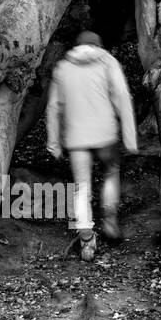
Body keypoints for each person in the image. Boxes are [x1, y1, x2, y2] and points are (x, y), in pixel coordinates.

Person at [45, 31, 138, 261]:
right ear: (98, 45)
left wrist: (54, 142)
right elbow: (122, 97)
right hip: (105, 134)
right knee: (110, 173)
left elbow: (54, 107)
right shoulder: (108, 62)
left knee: (81, 187)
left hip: (77, 138)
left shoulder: (63, 67)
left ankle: (86, 238)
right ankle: (109, 220)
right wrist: (129, 137)